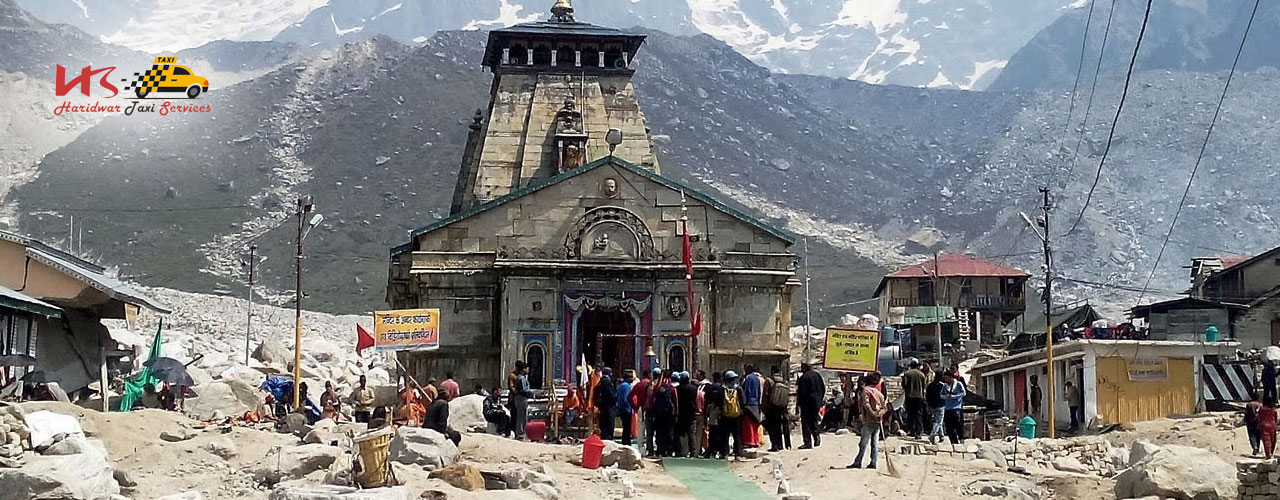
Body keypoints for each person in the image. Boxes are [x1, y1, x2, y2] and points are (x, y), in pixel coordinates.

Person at [847, 372, 886, 469]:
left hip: (868, 420)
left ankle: (858, 462)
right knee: (875, 442)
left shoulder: (865, 391)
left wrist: (872, 414)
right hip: (877, 421)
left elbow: (866, 404)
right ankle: (873, 462)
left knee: (863, 443)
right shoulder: (878, 393)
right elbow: (884, 407)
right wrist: (878, 414)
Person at [649, 370, 678, 456]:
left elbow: (652, 400)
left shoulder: (657, 388)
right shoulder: (672, 388)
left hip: (658, 414)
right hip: (668, 414)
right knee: (668, 432)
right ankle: (668, 450)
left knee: (659, 432)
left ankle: (659, 450)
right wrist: (676, 413)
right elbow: (675, 401)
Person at [796, 363, 824, 448]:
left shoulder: (804, 377)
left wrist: (798, 404)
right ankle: (816, 436)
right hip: (816, 402)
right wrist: (820, 399)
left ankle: (807, 442)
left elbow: (801, 392)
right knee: (814, 420)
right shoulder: (817, 375)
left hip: (806, 403)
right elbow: (823, 388)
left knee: (806, 422)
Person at [764, 366, 791, 452]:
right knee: (780, 427)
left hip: (771, 407)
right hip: (782, 407)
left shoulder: (769, 381)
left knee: (772, 427)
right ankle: (782, 445)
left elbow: (766, 394)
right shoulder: (785, 382)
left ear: (772, 371)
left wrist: (764, 407)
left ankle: (774, 446)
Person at [719, 371, 745, 459]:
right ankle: (737, 454)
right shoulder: (738, 389)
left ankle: (725, 453)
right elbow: (743, 402)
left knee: (725, 436)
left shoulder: (722, 389)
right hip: (737, 416)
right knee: (737, 435)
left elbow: (719, 402)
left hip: (725, 416)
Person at [902, 359, 927, 438]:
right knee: (918, 415)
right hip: (919, 397)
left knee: (910, 414)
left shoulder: (907, 374)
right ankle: (918, 433)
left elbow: (904, 385)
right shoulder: (922, 374)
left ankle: (912, 430)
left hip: (910, 396)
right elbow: (924, 386)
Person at [676, 372, 700, 456]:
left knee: (680, 434)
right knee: (691, 434)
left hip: (681, 414)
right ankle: (693, 452)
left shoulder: (678, 389)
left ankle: (680, 451)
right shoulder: (694, 388)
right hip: (691, 414)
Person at [703, 372, 726, 459]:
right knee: (721, 433)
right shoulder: (723, 388)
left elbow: (706, 400)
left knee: (712, 432)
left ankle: (711, 451)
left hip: (712, 412)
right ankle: (720, 451)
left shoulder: (709, 388)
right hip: (722, 412)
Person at [740, 364, 764, 449]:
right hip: (756, 403)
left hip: (748, 403)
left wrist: (743, 403)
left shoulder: (748, 378)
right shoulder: (757, 379)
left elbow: (746, 391)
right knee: (755, 423)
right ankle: (755, 440)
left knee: (748, 423)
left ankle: (750, 441)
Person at [942, 372, 966, 445]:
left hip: (956, 407)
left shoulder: (958, 384)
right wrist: (945, 397)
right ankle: (953, 441)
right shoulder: (945, 386)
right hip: (948, 408)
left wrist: (954, 396)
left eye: (947, 378)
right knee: (949, 426)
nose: (946, 380)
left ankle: (961, 437)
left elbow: (963, 393)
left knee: (957, 424)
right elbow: (941, 395)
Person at [510, 362, 532, 439]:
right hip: (521, 399)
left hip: (521, 398)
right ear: (524, 369)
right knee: (521, 416)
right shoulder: (521, 378)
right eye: (527, 368)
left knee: (522, 416)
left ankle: (521, 432)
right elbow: (522, 390)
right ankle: (520, 433)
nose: (528, 370)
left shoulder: (521, 378)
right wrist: (530, 393)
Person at [595, 367, 618, 440]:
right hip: (608, 407)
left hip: (603, 407)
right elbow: (611, 395)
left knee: (604, 426)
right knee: (609, 425)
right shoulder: (607, 382)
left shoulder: (600, 381)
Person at [926, 372, 946, 445]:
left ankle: (941, 436)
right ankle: (932, 435)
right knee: (939, 422)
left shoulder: (930, 385)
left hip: (932, 406)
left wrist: (928, 406)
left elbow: (927, 397)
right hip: (940, 405)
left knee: (936, 421)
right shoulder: (943, 386)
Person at [616, 370, 635, 446]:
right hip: (626, 410)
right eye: (631, 377)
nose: (632, 379)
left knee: (625, 428)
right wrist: (629, 407)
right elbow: (625, 399)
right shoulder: (626, 386)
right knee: (627, 428)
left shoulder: (621, 386)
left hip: (622, 409)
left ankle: (625, 442)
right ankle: (627, 443)